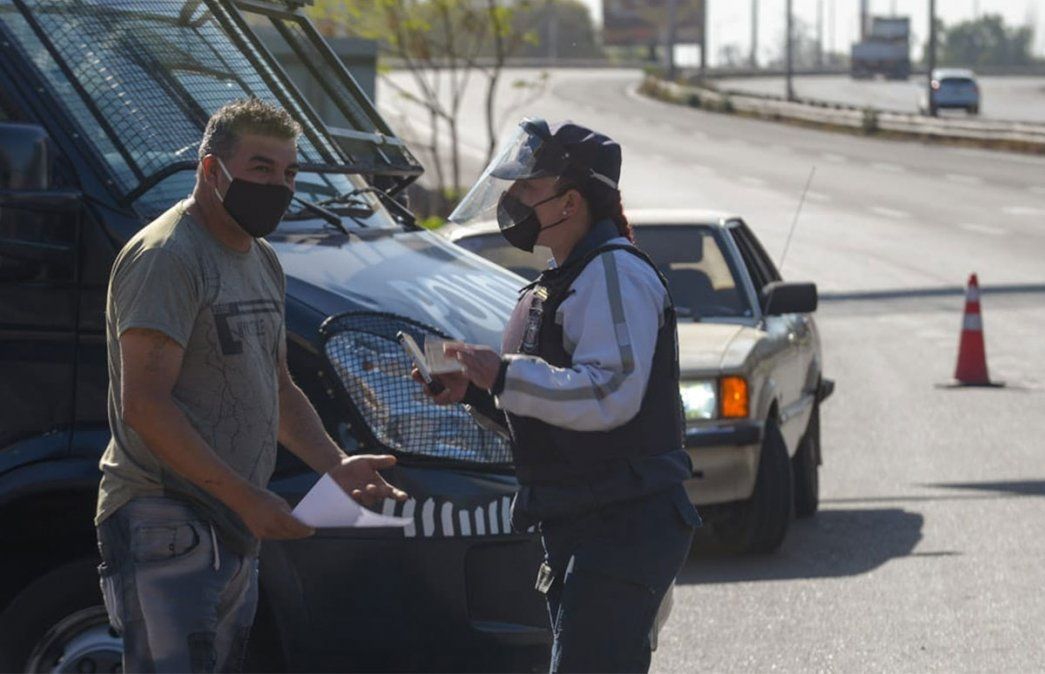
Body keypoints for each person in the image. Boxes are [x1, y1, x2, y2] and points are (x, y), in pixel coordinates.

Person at [95, 98, 407, 672]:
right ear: (212, 171)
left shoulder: (261, 258)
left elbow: (278, 383)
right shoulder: (167, 257)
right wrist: (247, 497)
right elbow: (143, 404)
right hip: (165, 516)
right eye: (261, 169)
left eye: (289, 173)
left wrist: (333, 465)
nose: (280, 186)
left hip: (231, 524)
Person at [416, 118, 701, 673]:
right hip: (584, 519)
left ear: (570, 203)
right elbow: (558, 416)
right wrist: (478, 392)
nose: (514, 199)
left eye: (528, 187)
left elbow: (610, 394)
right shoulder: (562, 277)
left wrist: (503, 376)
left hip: (623, 523)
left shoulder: (613, 273)